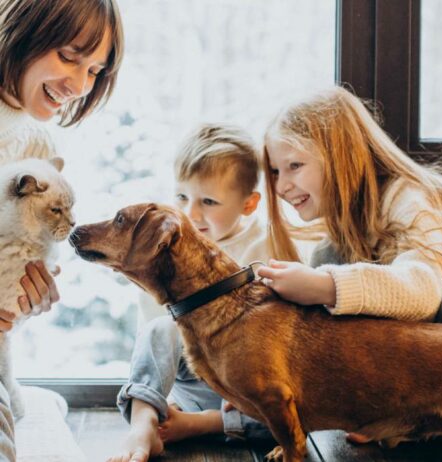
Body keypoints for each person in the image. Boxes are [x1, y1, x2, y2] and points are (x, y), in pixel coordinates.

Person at [257, 85, 442, 442]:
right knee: (331, 271)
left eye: (294, 165)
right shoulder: (336, 247)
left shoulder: (408, 197)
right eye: (275, 172)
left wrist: (324, 286)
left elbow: (423, 292)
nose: (281, 186)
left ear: (342, 156)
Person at [0, 0, 124, 458]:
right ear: (22, 29)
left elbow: (23, 265)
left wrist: (28, 298)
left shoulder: (37, 145)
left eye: (94, 71)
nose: (78, 85)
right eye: (69, 57)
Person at [111, 124, 274, 462]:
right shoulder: (167, 246)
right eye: (182, 197)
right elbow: (159, 339)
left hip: (247, 390)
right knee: (159, 329)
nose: (191, 213)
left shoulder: (267, 246)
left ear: (248, 204)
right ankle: (143, 423)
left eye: (209, 201)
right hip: (193, 381)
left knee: (297, 415)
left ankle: (203, 424)